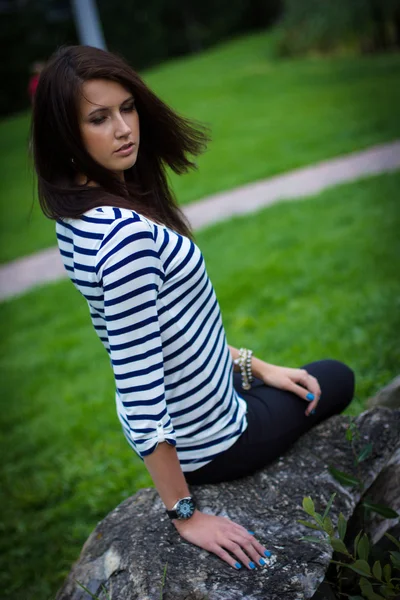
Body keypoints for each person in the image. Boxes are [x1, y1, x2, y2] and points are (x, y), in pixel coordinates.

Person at [31, 45, 355, 573]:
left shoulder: (79, 215)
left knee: (302, 378)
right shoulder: (123, 240)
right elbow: (139, 388)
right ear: (65, 134)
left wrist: (256, 367)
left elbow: (171, 332)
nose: (123, 129)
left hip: (210, 403)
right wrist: (185, 514)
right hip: (217, 442)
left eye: (127, 108)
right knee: (336, 378)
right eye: (98, 118)